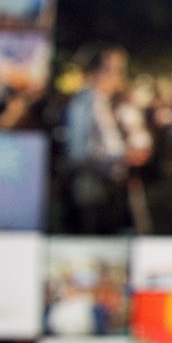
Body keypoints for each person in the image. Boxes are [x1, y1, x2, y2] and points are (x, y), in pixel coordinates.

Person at [60, 46, 134, 234]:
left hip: (112, 184)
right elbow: (77, 153)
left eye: (120, 70)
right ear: (94, 72)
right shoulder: (84, 104)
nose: (115, 76)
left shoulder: (109, 102)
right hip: (94, 187)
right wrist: (117, 159)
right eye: (109, 70)